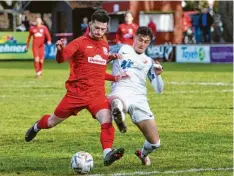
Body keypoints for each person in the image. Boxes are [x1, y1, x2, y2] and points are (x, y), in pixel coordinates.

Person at [25, 9, 125, 166]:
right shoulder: (79, 43)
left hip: (96, 95)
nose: (99, 32)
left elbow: (97, 70)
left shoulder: (105, 45)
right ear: (90, 25)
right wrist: (59, 51)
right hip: (75, 95)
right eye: (96, 28)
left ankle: (107, 153)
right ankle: (37, 126)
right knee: (51, 122)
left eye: (103, 29)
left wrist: (114, 74)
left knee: (107, 119)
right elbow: (61, 59)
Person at [109, 26, 164, 165]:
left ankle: (143, 154)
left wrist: (158, 76)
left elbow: (159, 89)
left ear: (149, 43)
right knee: (118, 100)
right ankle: (118, 110)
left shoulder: (149, 62)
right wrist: (107, 58)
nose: (142, 44)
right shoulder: (121, 49)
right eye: (140, 40)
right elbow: (101, 59)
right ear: (134, 38)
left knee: (155, 143)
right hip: (121, 90)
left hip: (140, 99)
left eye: (146, 42)